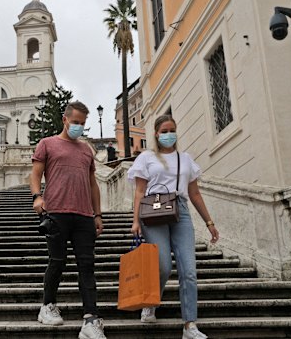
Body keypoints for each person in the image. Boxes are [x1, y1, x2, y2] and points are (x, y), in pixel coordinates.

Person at [127, 115, 219, 339]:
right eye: (165, 130)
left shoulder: (185, 159)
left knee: (189, 270)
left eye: (173, 130)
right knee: (164, 266)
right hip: (153, 208)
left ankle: (190, 325)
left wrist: (209, 222)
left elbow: (195, 193)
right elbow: (139, 191)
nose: (170, 134)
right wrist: (135, 220)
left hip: (181, 209)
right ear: (156, 134)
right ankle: (150, 302)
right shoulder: (147, 157)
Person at [30, 101, 107, 339]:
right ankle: (48, 306)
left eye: (83, 124)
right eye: (76, 123)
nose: (79, 127)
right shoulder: (47, 144)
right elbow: (35, 174)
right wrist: (37, 197)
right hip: (56, 213)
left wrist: (98, 214)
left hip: (84, 216)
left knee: (87, 266)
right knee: (57, 261)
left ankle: (91, 320)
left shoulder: (86, 150)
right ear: (65, 120)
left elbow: (93, 184)